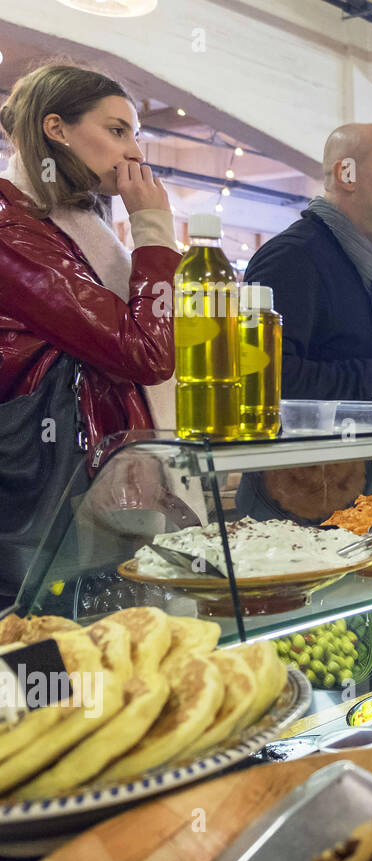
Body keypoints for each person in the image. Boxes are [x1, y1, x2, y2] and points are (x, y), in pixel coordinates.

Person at [0, 64, 180, 603]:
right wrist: (153, 227)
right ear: (57, 129)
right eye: (117, 131)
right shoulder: (14, 231)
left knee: (107, 662)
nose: (135, 154)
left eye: (136, 135)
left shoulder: (71, 227)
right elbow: (145, 352)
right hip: (49, 498)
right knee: (53, 669)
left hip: (87, 487)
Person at [244, 122, 372, 402]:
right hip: (309, 446)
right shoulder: (293, 258)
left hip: (366, 444)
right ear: (346, 175)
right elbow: (264, 377)